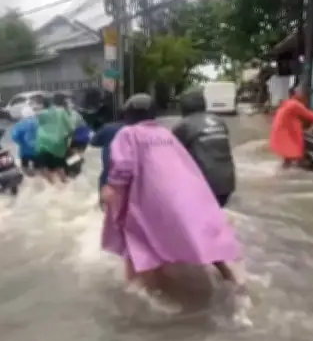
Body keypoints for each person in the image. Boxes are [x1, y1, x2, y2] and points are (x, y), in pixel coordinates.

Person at [101, 93, 242, 292]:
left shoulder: (128, 134)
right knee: (199, 235)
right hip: (185, 193)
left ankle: (138, 292)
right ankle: (231, 277)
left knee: (136, 240)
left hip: (149, 198)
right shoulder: (165, 134)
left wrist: (112, 189)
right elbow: (184, 163)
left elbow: (123, 167)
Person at [172, 88, 236, 207]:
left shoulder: (183, 125)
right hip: (228, 183)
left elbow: (172, 157)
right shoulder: (219, 121)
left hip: (204, 185)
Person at [269, 88, 313, 168]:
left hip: (283, 132)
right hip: (287, 134)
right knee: (294, 155)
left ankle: (286, 171)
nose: (302, 92)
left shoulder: (288, 103)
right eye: (300, 91)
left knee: (290, 156)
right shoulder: (295, 104)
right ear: (294, 94)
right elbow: (310, 115)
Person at [35, 92, 75, 184]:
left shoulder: (42, 113)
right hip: (57, 144)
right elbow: (71, 128)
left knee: (46, 168)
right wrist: (68, 140)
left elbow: (39, 127)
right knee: (60, 167)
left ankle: (51, 187)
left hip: (42, 144)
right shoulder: (62, 112)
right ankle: (65, 187)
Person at [90, 118, 125, 204]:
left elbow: (93, 142)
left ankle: (102, 205)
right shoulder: (132, 127)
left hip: (110, 161)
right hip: (128, 162)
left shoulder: (106, 128)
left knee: (104, 180)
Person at [10, 105, 39, 176]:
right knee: (39, 170)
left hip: (24, 152)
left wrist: (21, 143)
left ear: (23, 115)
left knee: (25, 169)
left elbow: (14, 137)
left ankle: (29, 181)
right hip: (38, 151)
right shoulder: (38, 123)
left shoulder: (20, 124)